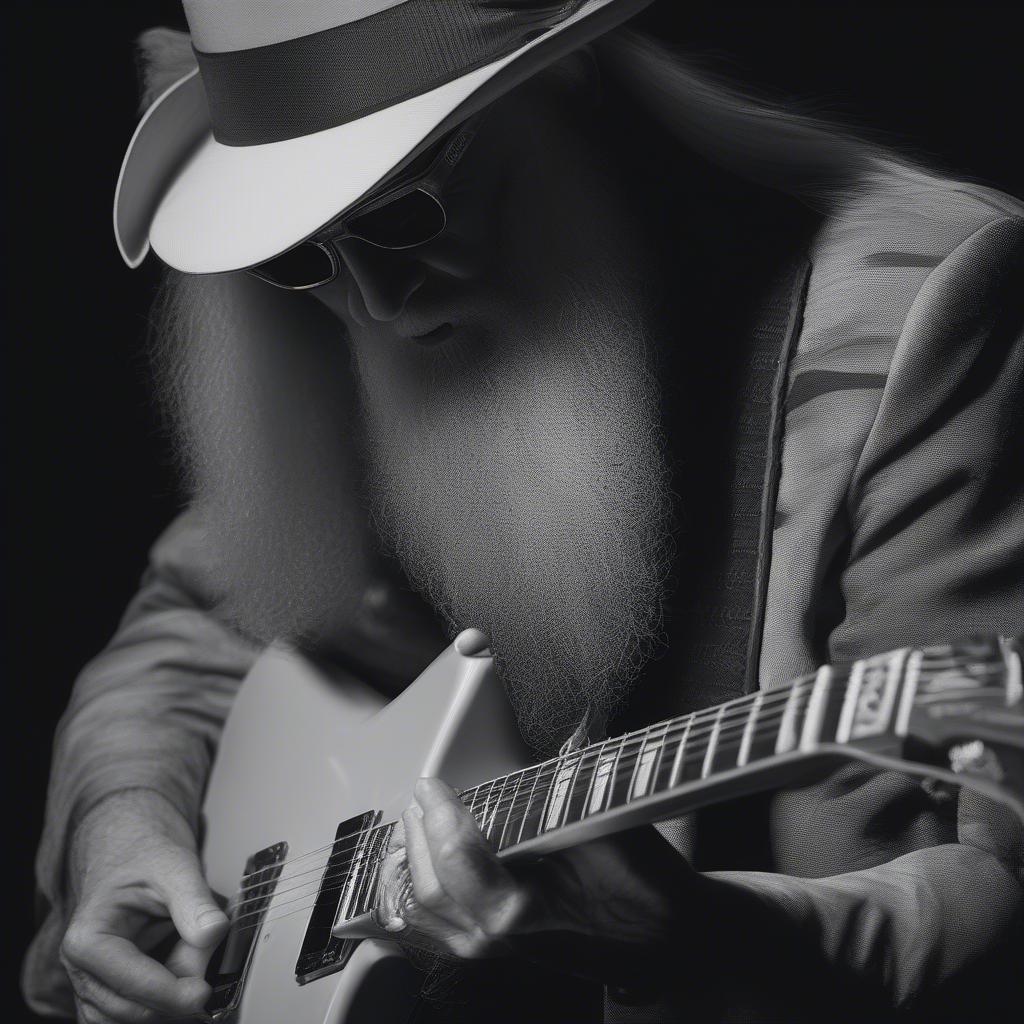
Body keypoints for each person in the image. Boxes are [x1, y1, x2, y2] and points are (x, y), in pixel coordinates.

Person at [23, 2, 1024, 1022]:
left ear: (573, 93)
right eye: (297, 256)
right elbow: (193, 621)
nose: (380, 304)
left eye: (409, 211)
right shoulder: (350, 334)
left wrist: (679, 936)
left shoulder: (924, 307)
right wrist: (126, 812)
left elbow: (1004, 894)